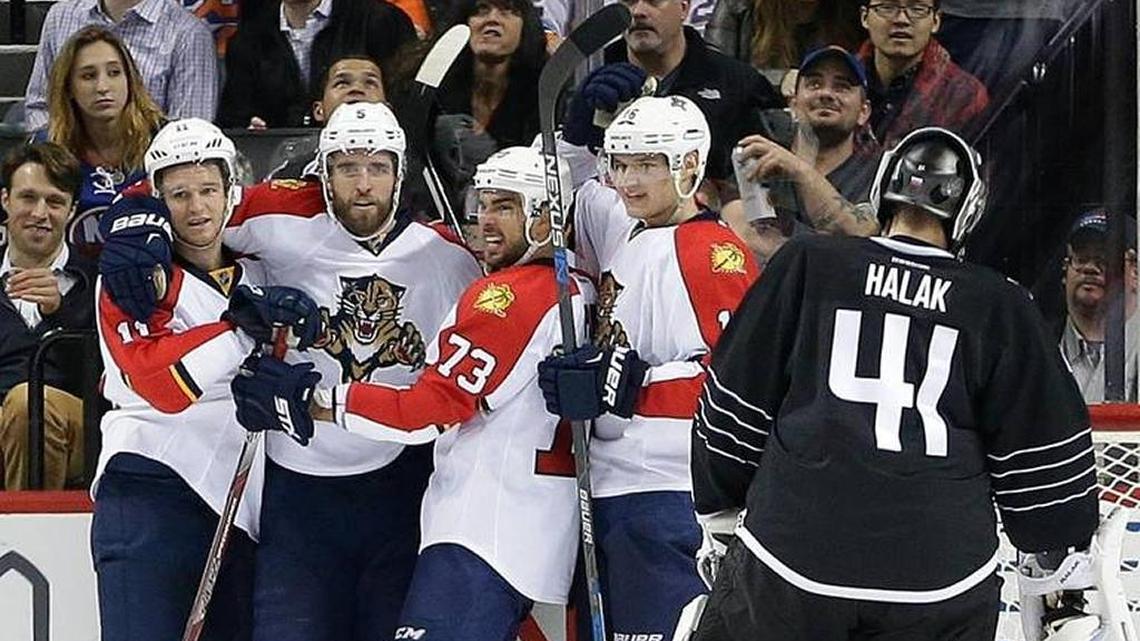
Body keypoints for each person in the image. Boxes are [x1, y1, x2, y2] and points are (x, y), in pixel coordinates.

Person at [687, 127, 1098, 640]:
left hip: (792, 558)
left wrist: (719, 514)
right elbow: (1044, 455)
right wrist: (1056, 566)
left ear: (884, 190)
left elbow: (733, 405)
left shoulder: (810, 263)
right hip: (939, 579)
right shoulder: (1000, 303)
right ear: (967, 210)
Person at [103, 101, 484, 641]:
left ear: (400, 175)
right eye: (348, 167)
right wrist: (129, 218)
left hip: (399, 488)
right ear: (322, 172)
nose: (362, 184)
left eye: (377, 167)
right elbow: (193, 189)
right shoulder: (276, 217)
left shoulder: (449, 256)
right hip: (292, 492)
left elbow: (511, 288)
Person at [230, 146, 592, 641]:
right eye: (483, 204)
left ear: (548, 218)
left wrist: (313, 401)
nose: (485, 221)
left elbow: (426, 411)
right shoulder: (584, 288)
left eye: (505, 207)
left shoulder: (509, 297)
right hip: (531, 522)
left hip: (482, 527)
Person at [91, 119, 321, 640]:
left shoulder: (261, 274)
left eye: (208, 191)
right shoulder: (132, 275)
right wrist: (240, 332)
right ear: (156, 199)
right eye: (179, 194)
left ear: (229, 193)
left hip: (239, 505)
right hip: (150, 486)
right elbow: (160, 383)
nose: (196, 209)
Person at [539, 95, 759, 640]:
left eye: (648, 165)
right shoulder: (631, 230)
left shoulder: (710, 251)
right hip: (610, 490)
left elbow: (738, 379)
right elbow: (570, 194)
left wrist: (629, 384)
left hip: (672, 493)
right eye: (621, 163)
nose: (629, 180)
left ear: (688, 166)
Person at [591, 0, 782, 200]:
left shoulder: (738, 84)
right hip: (611, 219)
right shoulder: (592, 75)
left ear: (684, 8)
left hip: (713, 223)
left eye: (654, 1)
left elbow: (768, 182)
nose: (638, 12)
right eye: (629, 1)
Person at [723, 46, 881, 264]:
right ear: (794, 105)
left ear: (864, 112)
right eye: (814, 84)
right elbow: (736, 223)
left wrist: (800, 171)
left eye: (842, 87)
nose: (826, 94)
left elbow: (865, 239)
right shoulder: (760, 161)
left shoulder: (880, 172)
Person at [0, 142, 95, 491]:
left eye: (55, 202)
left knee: (31, 404)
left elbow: (110, 378)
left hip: (78, 425)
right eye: (28, 198)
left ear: (71, 211)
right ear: (5, 201)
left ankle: (28, 535)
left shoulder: (98, 280)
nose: (40, 213)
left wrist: (61, 313)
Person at [40, 26, 164, 256]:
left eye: (114, 73)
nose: (103, 87)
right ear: (68, 88)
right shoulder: (46, 151)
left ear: (131, 80)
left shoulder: (166, 140)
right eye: (88, 76)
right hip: (73, 280)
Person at [217, 0, 415, 129]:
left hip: (371, 158)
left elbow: (410, 106)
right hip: (281, 169)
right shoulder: (249, 38)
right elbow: (234, 118)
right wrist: (250, 130)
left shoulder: (381, 21)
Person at [24, 0, 217, 131]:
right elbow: (40, 106)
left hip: (150, 173)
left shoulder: (189, 33)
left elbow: (189, 131)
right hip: (68, 170)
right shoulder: (60, 17)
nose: (102, 87)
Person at [429, 0, 548, 183]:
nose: (492, 19)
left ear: (526, 26)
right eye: (481, 10)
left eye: (507, 10)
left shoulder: (544, 95)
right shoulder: (431, 87)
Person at [856, 0, 989, 147]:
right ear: (864, 17)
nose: (902, 19)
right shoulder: (837, 82)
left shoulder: (964, 95)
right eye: (887, 7)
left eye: (917, 9)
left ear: (936, 20)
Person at [1058, 209, 1138, 402]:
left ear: (1136, 272)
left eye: (1104, 260)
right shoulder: (1036, 343)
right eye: (1081, 259)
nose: (1089, 268)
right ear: (1065, 270)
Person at [266, 54, 388, 180]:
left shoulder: (409, 179)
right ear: (319, 111)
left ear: (387, 108)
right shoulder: (287, 177)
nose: (356, 89)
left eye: (370, 83)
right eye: (342, 83)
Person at [704, 0, 862, 87]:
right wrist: (781, 79)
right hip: (753, 119)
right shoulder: (740, 5)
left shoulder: (852, 11)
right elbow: (715, 74)